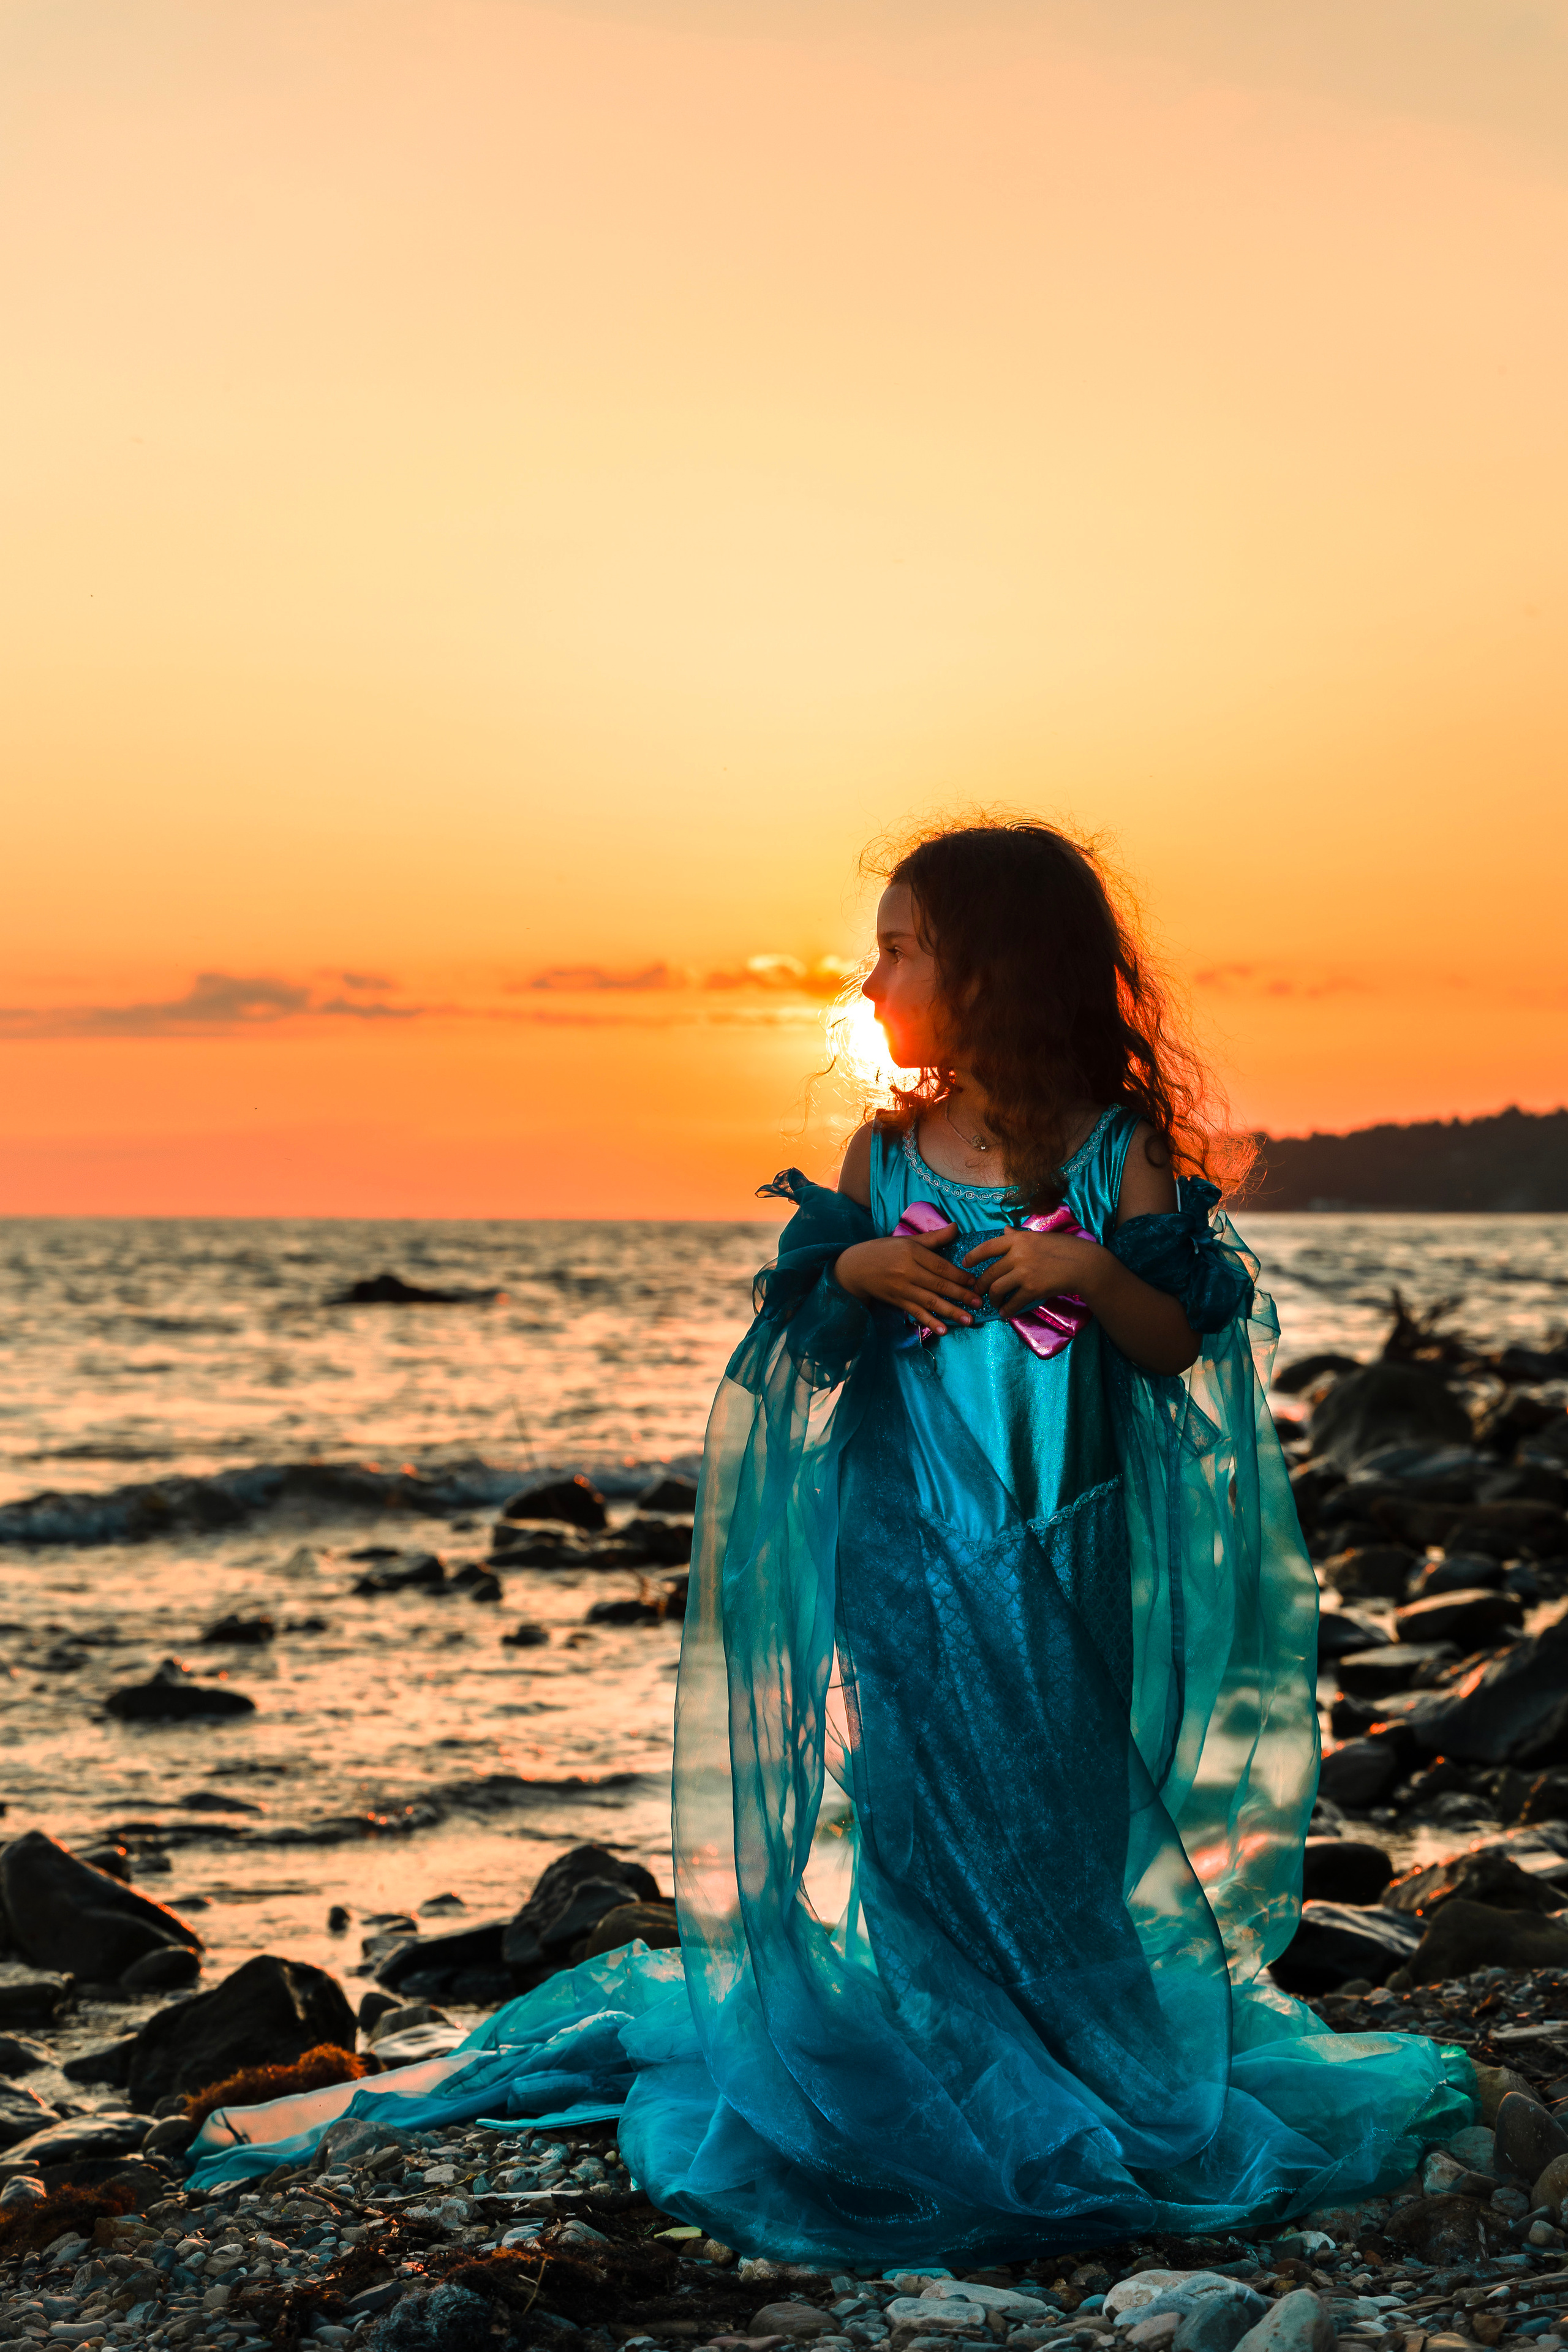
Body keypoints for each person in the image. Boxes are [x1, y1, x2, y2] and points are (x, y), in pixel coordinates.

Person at [187, 820, 1471, 2265]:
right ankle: (942, 2058)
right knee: (915, 1806)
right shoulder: (880, 1148)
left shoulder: (1116, 1152)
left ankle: (1077, 2060)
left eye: (898, 950)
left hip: (1062, 1545)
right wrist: (853, 1263)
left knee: (1056, 1812)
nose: (869, 982)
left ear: (990, 969)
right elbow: (803, 1328)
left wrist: (1089, 1264)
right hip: (903, 1544)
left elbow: (1174, 1344)